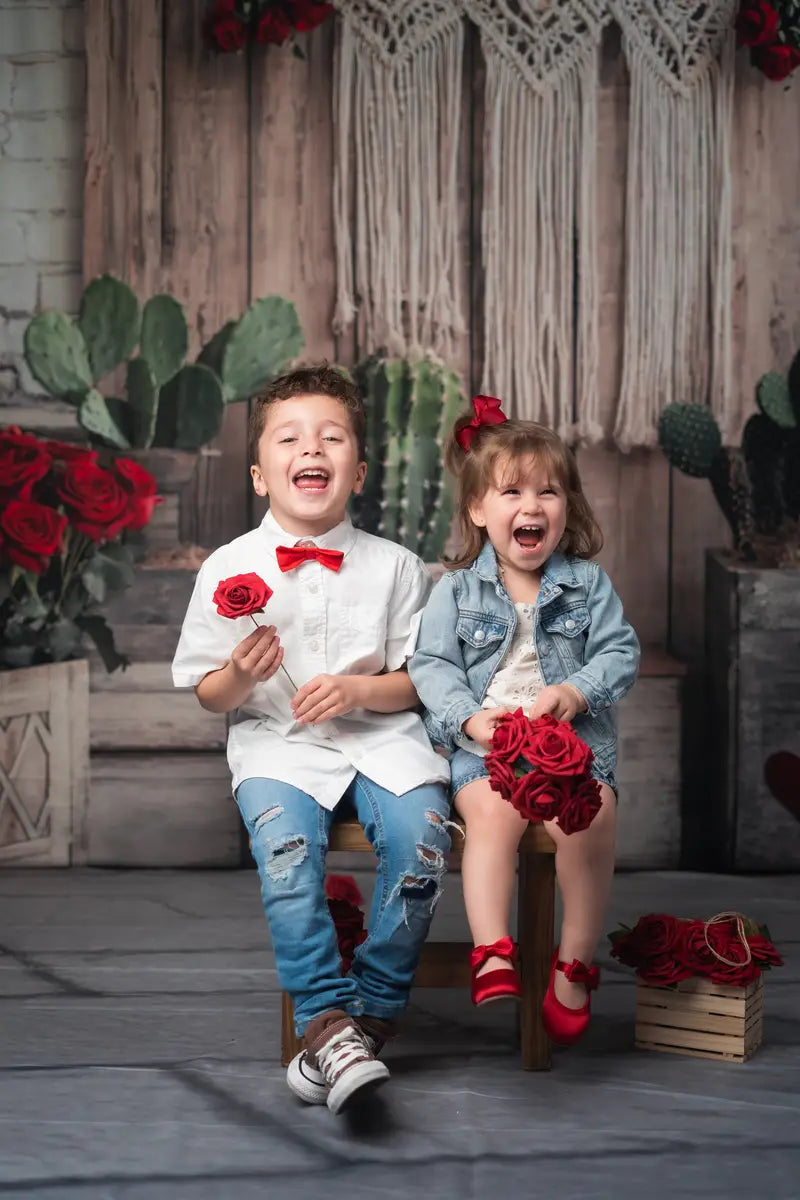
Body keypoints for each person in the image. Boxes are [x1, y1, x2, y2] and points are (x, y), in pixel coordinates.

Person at [172, 365, 451, 1113]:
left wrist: (361, 690)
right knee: (289, 858)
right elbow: (208, 693)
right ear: (262, 475)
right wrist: (237, 672)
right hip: (278, 746)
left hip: (382, 736)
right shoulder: (227, 567)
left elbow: (419, 680)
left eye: (331, 437)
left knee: (424, 839)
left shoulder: (396, 567)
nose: (312, 449)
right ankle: (326, 1019)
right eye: (290, 438)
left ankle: (368, 1020)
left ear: (357, 470)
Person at [408, 395, 639, 1045]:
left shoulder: (588, 586)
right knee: (490, 816)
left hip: (574, 746)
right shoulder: (454, 591)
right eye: (511, 491)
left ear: (568, 508)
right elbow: (431, 666)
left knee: (589, 821)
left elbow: (621, 652)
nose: (532, 506)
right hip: (488, 746)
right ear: (479, 510)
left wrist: (576, 690)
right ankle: (493, 950)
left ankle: (573, 964)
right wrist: (469, 720)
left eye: (549, 491)